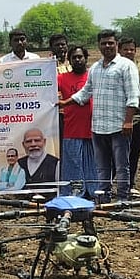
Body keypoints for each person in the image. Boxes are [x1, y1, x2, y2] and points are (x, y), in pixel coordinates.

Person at [67, 29, 140, 201]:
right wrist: (65, 103)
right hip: (99, 127)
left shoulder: (126, 66)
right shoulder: (95, 68)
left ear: (116, 45)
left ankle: (123, 198)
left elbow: (133, 96)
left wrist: (128, 121)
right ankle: (104, 197)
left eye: (110, 43)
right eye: (103, 43)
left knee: (122, 166)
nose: (107, 46)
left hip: (119, 126)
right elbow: (86, 92)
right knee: (102, 167)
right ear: (98, 46)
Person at [58, 46, 99, 196]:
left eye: (80, 57)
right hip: (72, 127)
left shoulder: (94, 76)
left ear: (86, 58)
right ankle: (73, 193)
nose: (77, 60)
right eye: (74, 57)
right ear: (69, 61)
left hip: (93, 128)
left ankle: (94, 192)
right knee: (73, 163)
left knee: (94, 163)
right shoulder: (61, 78)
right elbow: (44, 89)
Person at [120, 38, 140, 194]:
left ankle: (130, 184)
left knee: (134, 152)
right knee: (114, 153)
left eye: (132, 49)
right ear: (120, 50)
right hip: (117, 119)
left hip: (137, 120)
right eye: (125, 49)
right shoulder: (114, 68)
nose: (129, 52)